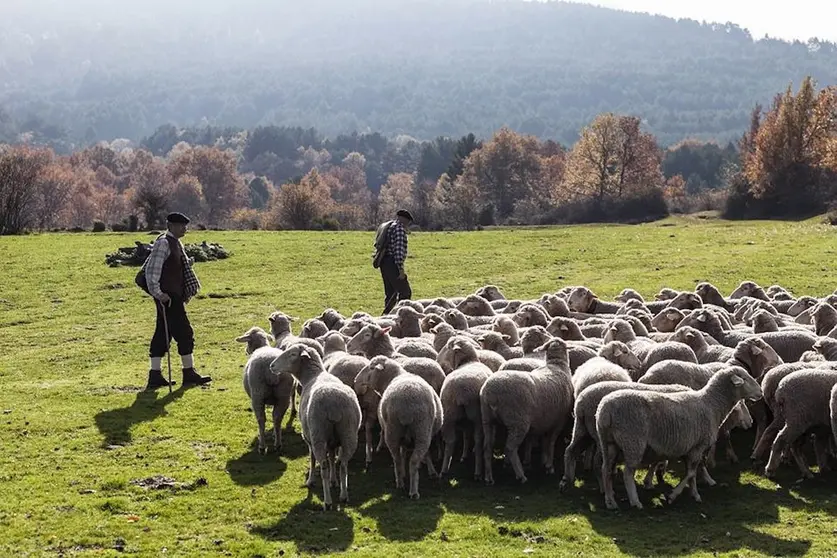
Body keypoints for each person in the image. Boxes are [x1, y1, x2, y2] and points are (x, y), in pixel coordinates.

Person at [143, 212, 212, 390]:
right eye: (181, 225)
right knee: (184, 333)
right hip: (168, 297)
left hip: (172, 296)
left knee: (162, 334)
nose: (185, 229)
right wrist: (159, 294)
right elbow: (152, 271)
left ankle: (155, 375)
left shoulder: (175, 243)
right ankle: (188, 373)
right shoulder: (164, 243)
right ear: (171, 225)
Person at [378, 209, 413, 315]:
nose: (408, 224)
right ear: (404, 219)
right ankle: (401, 316)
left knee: (390, 293)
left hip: (384, 262)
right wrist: (401, 269)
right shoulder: (399, 229)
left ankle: (386, 317)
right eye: (408, 222)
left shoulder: (389, 227)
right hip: (393, 263)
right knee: (405, 292)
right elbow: (398, 251)